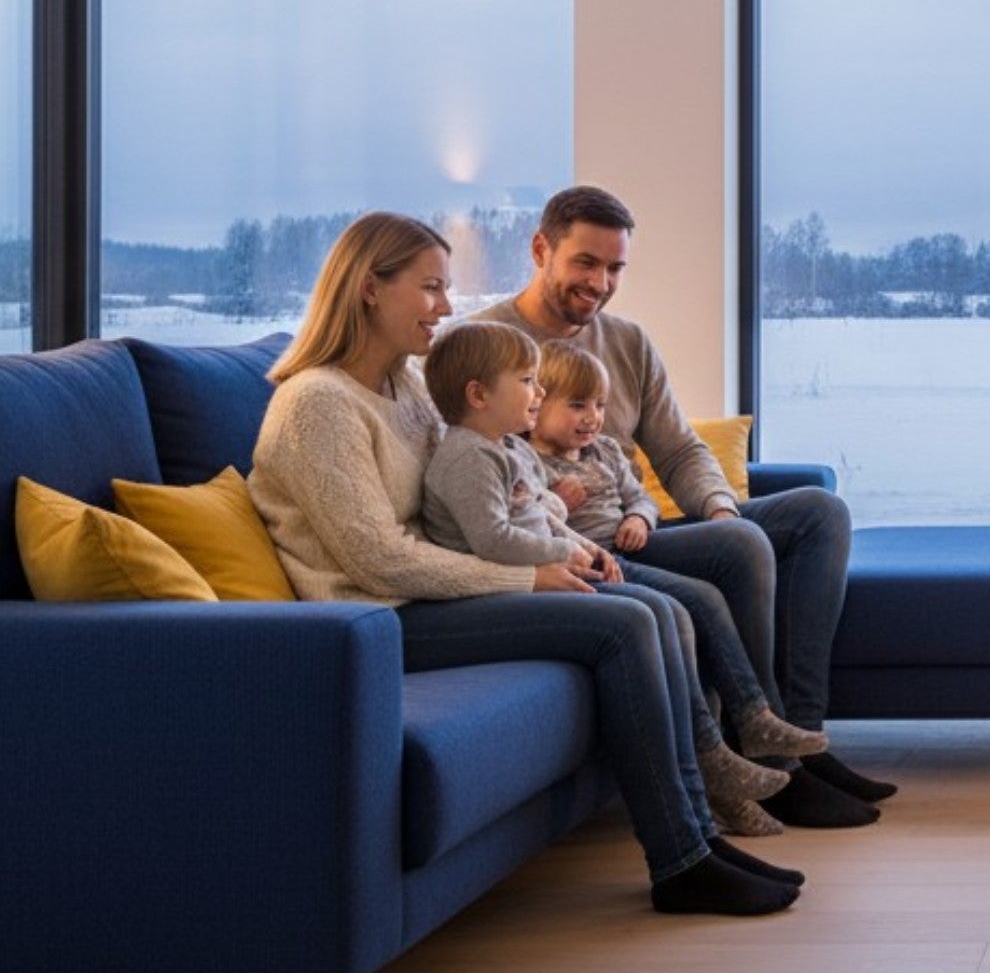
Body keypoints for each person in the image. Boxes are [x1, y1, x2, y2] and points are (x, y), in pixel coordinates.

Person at [246, 212, 802, 915]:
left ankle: (699, 834)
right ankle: (681, 859)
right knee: (623, 627)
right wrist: (525, 575)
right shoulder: (315, 405)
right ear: (367, 288)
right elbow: (379, 561)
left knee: (660, 604)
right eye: (431, 288)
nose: (446, 308)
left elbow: (486, 484)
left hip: (442, 589)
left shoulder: (407, 389)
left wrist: (562, 537)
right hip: (378, 620)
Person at [469, 185, 890, 827]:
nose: (601, 282)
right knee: (741, 546)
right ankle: (777, 767)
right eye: (585, 263)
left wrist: (721, 509)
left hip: (633, 526)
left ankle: (797, 732)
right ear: (540, 250)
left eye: (614, 268)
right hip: (569, 545)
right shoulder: (484, 345)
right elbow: (464, 476)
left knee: (817, 514)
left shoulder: (628, 344)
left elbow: (679, 449)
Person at [416, 323, 800, 836]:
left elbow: (542, 518)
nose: (536, 394)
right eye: (529, 383)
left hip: (571, 557)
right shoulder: (469, 455)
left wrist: (587, 546)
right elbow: (494, 539)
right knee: (664, 609)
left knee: (688, 602)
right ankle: (710, 765)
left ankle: (737, 732)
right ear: (479, 394)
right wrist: (570, 551)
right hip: (504, 587)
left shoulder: (502, 448)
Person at [526, 338, 829, 836]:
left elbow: (641, 493)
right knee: (694, 602)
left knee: (784, 527)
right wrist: (559, 504)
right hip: (592, 562)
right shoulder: (526, 462)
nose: (592, 418)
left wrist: (643, 519)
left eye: (599, 406)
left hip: (630, 545)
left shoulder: (603, 449)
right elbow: (525, 522)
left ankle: (756, 717)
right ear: (535, 407)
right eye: (577, 405)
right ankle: (728, 759)